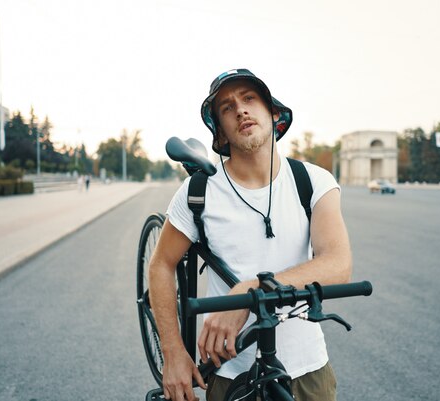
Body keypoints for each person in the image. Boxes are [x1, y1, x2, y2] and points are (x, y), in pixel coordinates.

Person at [149, 69, 352, 401]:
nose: (240, 110)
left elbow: (338, 264)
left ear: (273, 113)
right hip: (229, 372)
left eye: (249, 99)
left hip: (308, 371)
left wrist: (250, 290)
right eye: (227, 108)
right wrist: (172, 352)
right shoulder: (198, 191)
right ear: (221, 132)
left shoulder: (314, 181)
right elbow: (160, 265)